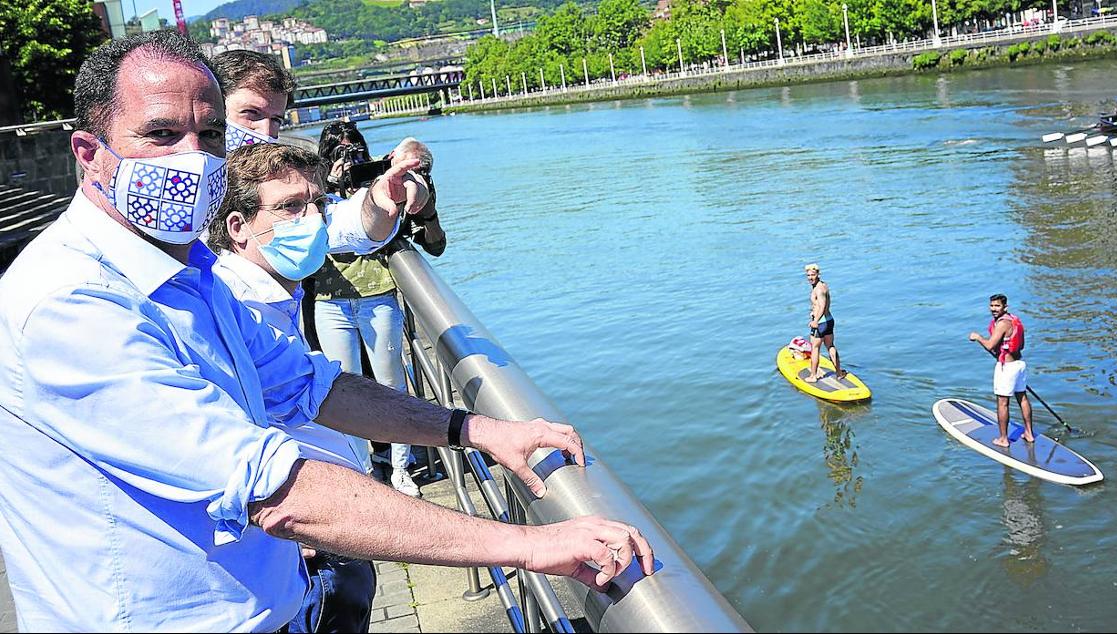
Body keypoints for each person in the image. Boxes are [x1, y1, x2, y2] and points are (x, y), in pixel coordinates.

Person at [0, 31, 653, 632]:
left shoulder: (190, 270)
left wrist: (477, 430)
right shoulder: (71, 302)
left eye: (209, 134)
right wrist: (528, 545)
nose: (192, 158)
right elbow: (272, 489)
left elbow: (310, 386)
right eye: (161, 134)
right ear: (90, 153)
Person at [207, 143, 412, 632]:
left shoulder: (275, 295)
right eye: (291, 207)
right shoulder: (235, 311)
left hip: (324, 536)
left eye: (317, 203)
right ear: (238, 227)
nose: (313, 219)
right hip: (306, 550)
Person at [207, 50, 446, 257]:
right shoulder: (188, 186)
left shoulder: (279, 180)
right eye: (251, 113)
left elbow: (344, 223)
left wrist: (381, 198)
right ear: (210, 108)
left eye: (276, 120)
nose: (266, 132)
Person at [311, 122, 438, 497]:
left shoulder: (381, 181)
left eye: (354, 150)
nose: (348, 159)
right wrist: (329, 184)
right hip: (329, 300)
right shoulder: (312, 187)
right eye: (339, 152)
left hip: (378, 295)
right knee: (341, 389)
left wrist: (406, 180)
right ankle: (363, 470)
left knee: (391, 385)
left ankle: (401, 468)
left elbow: (428, 225)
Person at [968, 294, 1034, 448]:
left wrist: (978, 337)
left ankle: (1003, 439)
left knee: (1002, 403)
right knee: (1022, 398)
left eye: (997, 306)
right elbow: (1019, 345)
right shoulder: (1014, 320)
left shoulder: (1003, 323)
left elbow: (990, 345)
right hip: (1019, 364)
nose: (993, 309)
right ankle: (1029, 433)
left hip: (1007, 367)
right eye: (992, 306)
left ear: (1005, 307)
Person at [804, 263, 845, 382]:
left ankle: (813, 376)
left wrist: (815, 320)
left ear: (818, 274)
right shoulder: (823, 285)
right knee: (830, 346)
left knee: (815, 348)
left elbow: (822, 306)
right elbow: (820, 305)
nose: (810, 277)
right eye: (808, 275)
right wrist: (813, 312)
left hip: (821, 323)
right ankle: (839, 373)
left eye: (813, 275)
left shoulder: (819, 289)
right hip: (829, 320)